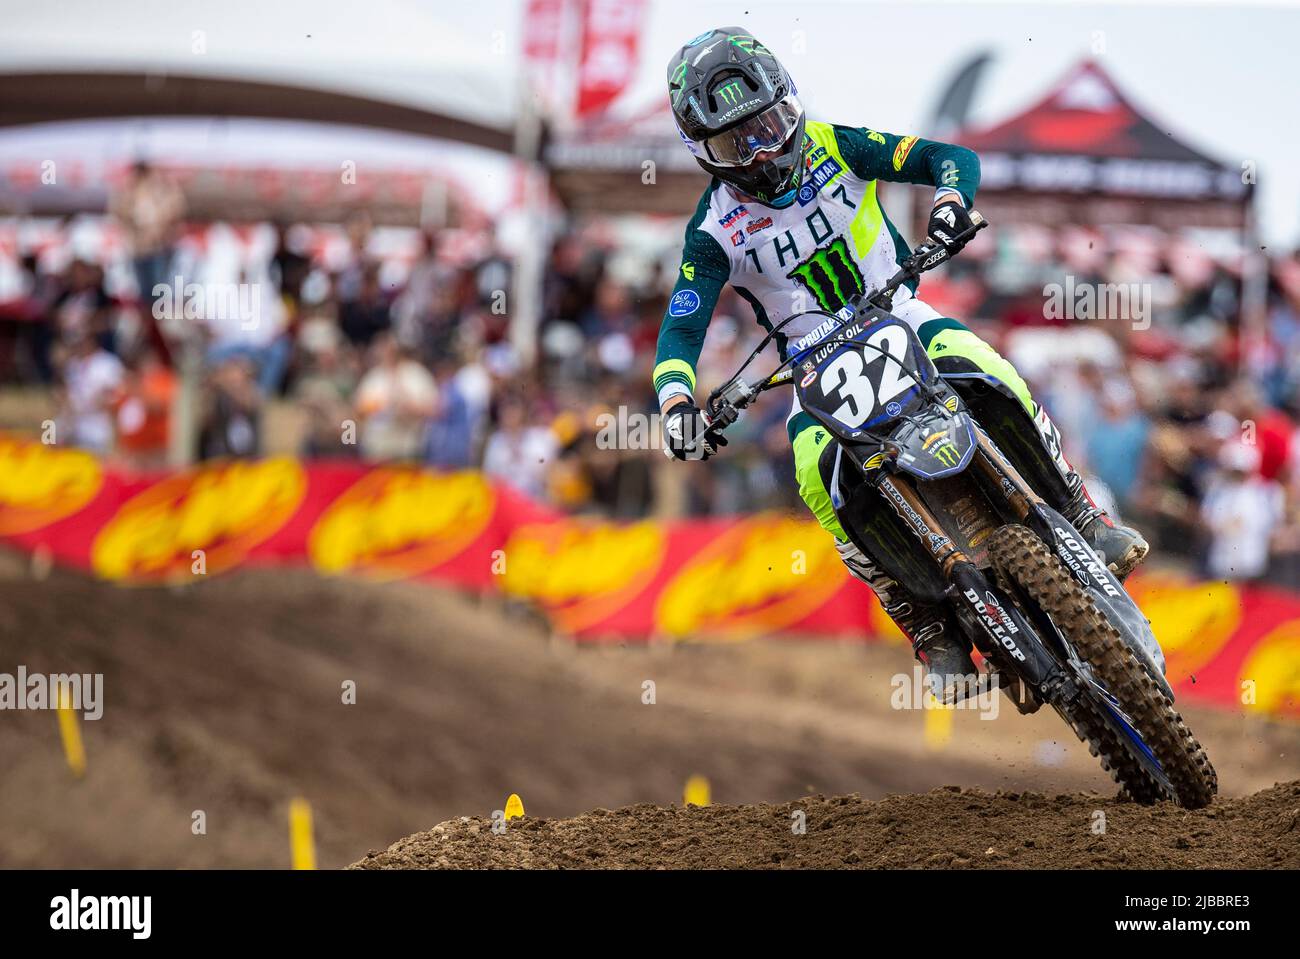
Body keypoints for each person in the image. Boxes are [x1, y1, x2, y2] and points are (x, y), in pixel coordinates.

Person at [653, 27, 1148, 696]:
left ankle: (1084, 514)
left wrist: (949, 204)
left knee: (987, 365)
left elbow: (948, 156)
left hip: (898, 313)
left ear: (789, 103)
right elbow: (681, 326)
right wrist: (679, 404)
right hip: (813, 365)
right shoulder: (712, 231)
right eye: (736, 141)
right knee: (811, 471)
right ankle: (926, 624)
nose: (763, 149)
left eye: (769, 123)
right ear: (702, 153)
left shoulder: (836, 144)